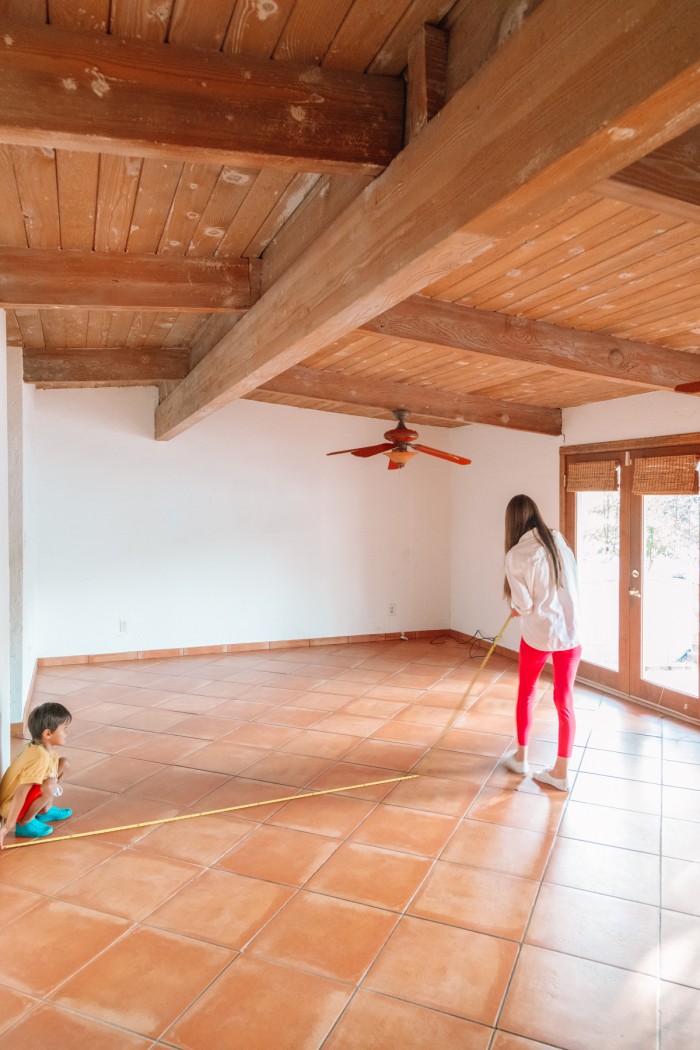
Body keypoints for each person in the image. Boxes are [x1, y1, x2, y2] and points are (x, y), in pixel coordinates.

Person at [502, 494, 581, 791]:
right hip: (570, 631)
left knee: (527, 692)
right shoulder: (558, 540)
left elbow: (523, 604)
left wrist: (517, 608)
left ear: (512, 522)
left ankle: (522, 757)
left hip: (538, 634)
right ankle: (561, 772)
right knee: (565, 700)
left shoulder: (515, 555)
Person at [0, 702, 72, 848]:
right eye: (64, 729)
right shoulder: (39, 757)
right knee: (50, 785)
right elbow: (21, 792)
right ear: (47, 734)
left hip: (21, 801)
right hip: (11, 806)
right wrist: (6, 827)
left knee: (63, 763)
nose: (67, 732)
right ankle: (25, 823)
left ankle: (44, 810)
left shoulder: (42, 749)